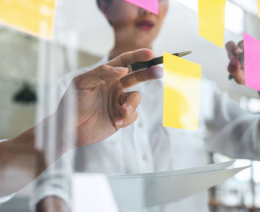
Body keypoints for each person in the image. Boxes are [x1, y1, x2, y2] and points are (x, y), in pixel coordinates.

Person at [31, 0, 260, 212]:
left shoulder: (188, 86)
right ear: (105, 5)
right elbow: (51, 185)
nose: (148, 6)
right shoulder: (73, 91)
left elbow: (253, 141)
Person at [0, 49, 163, 201]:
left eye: (157, 14)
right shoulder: (70, 84)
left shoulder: (172, 94)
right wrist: (62, 132)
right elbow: (50, 186)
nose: (150, 15)